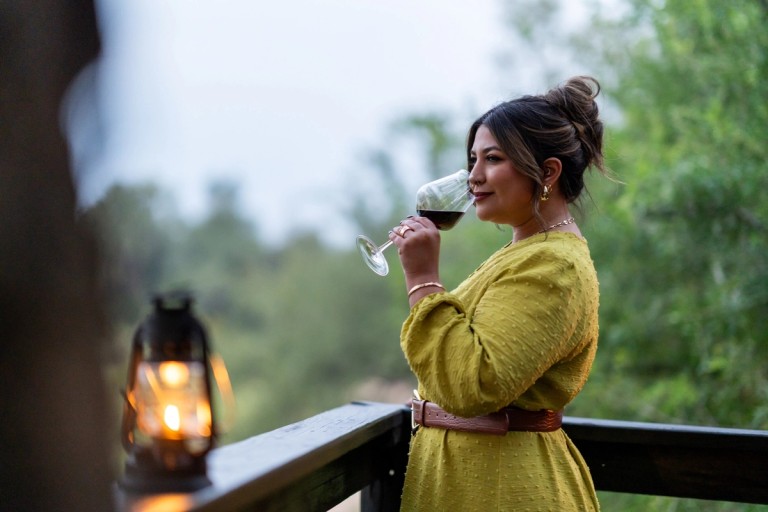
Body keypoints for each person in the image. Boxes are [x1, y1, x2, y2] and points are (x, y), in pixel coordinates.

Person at [387, 76, 607, 511]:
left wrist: (423, 280)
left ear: (547, 172)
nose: (473, 177)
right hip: (475, 480)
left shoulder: (554, 266)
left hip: (504, 489)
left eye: (493, 159)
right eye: (472, 160)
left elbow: (475, 384)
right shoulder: (525, 252)